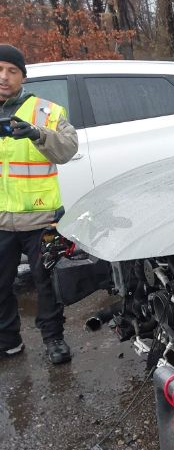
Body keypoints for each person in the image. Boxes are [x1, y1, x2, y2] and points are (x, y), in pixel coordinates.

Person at [0, 44, 79, 364]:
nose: (3, 77)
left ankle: (54, 340)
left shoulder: (46, 111)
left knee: (47, 285)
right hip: (1, 220)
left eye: (12, 71)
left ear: (23, 76)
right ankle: (8, 341)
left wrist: (36, 133)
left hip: (41, 216)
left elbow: (67, 149)